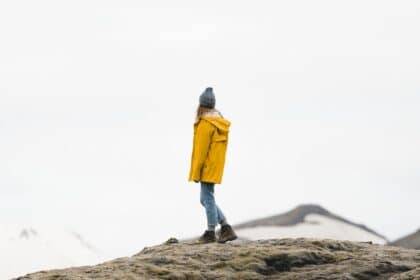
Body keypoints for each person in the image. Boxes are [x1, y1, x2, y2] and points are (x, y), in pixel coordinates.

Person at [188, 87, 238, 244]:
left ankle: (210, 232)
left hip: (206, 166)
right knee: (205, 198)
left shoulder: (205, 124)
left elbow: (201, 151)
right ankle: (225, 227)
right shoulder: (218, 122)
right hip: (215, 165)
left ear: (201, 105)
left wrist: (196, 172)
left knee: (207, 198)